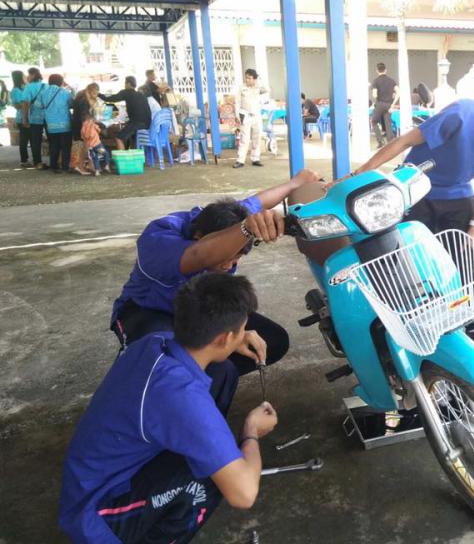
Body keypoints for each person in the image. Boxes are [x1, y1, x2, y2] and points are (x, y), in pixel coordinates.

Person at [60, 272, 280, 543]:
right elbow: (244, 493)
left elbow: (207, 355)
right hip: (96, 512)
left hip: (93, 477)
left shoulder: (154, 342)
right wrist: (251, 432)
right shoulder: (181, 396)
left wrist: (237, 336)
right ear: (223, 338)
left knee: (222, 371)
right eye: (241, 329)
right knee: (210, 477)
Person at [349, 99, 474, 356]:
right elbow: (405, 141)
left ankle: (472, 325)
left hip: (457, 193)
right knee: (401, 258)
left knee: (467, 259)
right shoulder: (464, 115)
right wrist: (359, 174)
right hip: (416, 187)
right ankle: (401, 325)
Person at [109, 168, 320, 374]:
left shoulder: (229, 217)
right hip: (148, 311)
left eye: (236, 259)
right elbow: (199, 255)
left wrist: (296, 182)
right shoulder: (159, 238)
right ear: (198, 236)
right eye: (224, 260)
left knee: (272, 341)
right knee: (160, 360)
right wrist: (247, 228)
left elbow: (257, 202)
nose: (228, 267)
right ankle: (147, 378)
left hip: (197, 308)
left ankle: (201, 378)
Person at [99, 76, 152, 149]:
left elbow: (109, 99)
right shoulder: (141, 95)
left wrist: (98, 94)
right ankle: (131, 151)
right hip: (147, 124)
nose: (124, 85)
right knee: (129, 133)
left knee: (118, 137)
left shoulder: (126, 92)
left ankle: (123, 156)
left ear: (128, 84)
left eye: (125, 83)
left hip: (136, 123)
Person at [233, 69, 270, 168]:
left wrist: (260, 80)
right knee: (244, 139)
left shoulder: (259, 87)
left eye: (249, 78)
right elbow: (237, 102)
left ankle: (255, 158)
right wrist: (237, 115)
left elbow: (267, 90)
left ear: (254, 79)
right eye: (246, 78)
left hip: (256, 116)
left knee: (257, 138)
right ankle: (240, 160)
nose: (247, 80)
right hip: (245, 115)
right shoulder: (241, 87)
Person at [41, 74, 75, 174]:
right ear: (61, 82)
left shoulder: (43, 93)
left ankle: (54, 166)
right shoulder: (65, 92)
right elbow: (72, 104)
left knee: (53, 145)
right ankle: (65, 167)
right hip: (64, 124)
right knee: (66, 146)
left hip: (50, 124)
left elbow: (41, 105)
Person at [21, 67, 47, 169]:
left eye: (28, 74)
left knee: (35, 141)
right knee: (52, 140)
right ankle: (56, 161)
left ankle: (38, 162)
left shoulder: (29, 87)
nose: (27, 77)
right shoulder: (46, 86)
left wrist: (25, 118)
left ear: (33, 75)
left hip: (35, 118)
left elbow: (25, 103)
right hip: (48, 117)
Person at [370, 62, 398, 146]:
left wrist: (374, 92)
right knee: (388, 123)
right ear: (385, 70)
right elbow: (398, 92)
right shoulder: (391, 81)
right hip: (389, 104)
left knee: (374, 121)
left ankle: (380, 141)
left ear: (377, 71)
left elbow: (375, 95)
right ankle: (391, 142)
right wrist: (393, 104)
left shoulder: (375, 81)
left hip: (380, 104)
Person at [10, 71, 31, 168]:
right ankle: (24, 160)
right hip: (22, 118)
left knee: (27, 139)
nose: (25, 76)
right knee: (24, 140)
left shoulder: (24, 88)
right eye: (23, 75)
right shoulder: (15, 90)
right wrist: (26, 104)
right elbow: (17, 105)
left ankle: (26, 159)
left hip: (29, 117)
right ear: (20, 77)